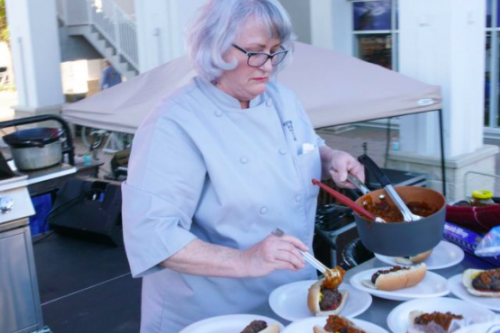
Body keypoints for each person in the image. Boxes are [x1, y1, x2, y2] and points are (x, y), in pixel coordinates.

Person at [122, 1, 365, 332]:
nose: (268, 65)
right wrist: (245, 260)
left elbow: (305, 150)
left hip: (292, 298)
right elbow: (151, 235)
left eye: (275, 51)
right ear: (214, 47)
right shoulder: (174, 122)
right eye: (255, 51)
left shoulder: (282, 99)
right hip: (211, 314)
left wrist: (330, 158)